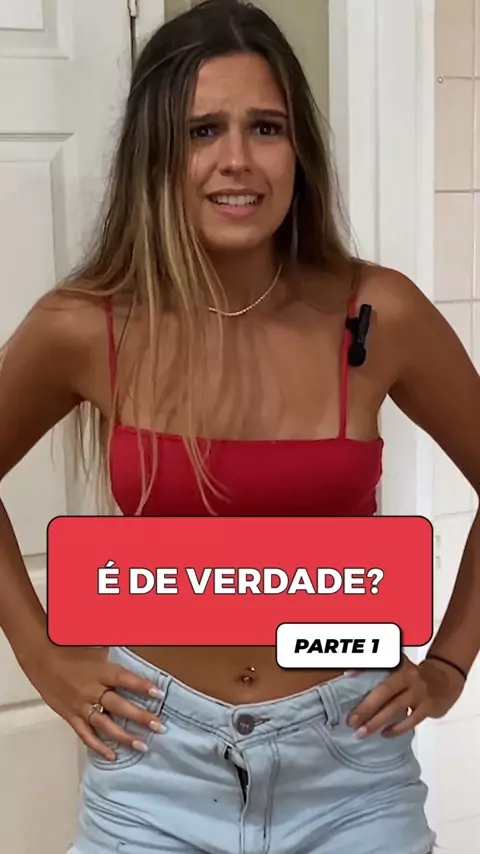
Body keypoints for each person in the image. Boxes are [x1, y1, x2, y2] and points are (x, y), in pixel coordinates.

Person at [0, 0, 479, 851]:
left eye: (266, 127)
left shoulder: (381, 312)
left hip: (350, 763)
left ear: (299, 151)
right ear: (156, 154)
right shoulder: (84, 325)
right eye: (201, 131)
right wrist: (42, 657)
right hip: (153, 764)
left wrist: (447, 667)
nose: (237, 160)